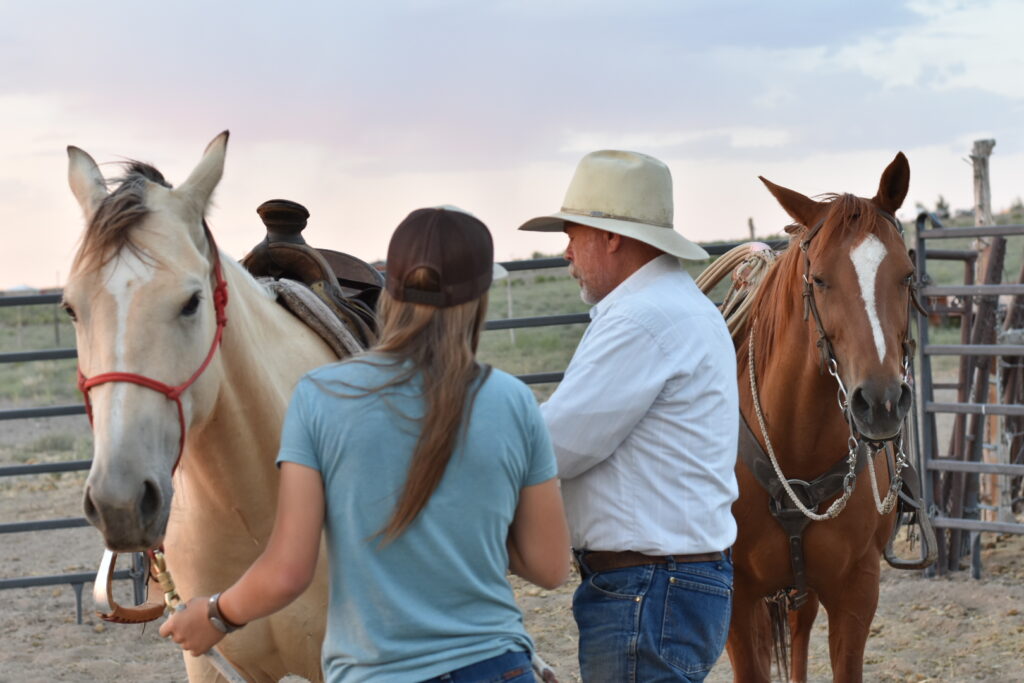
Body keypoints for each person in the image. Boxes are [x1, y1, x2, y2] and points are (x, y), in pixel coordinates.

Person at [161, 206, 570, 682]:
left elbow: (288, 570)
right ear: (481, 295)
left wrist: (214, 614)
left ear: (388, 286)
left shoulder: (321, 397)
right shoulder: (514, 402)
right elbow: (548, 566)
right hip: (498, 668)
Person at [518, 150, 739, 682]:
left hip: (647, 589)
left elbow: (557, 446)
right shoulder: (677, 306)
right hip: (671, 584)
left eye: (574, 233)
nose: (567, 253)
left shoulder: (643, 318)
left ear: (611, 236)